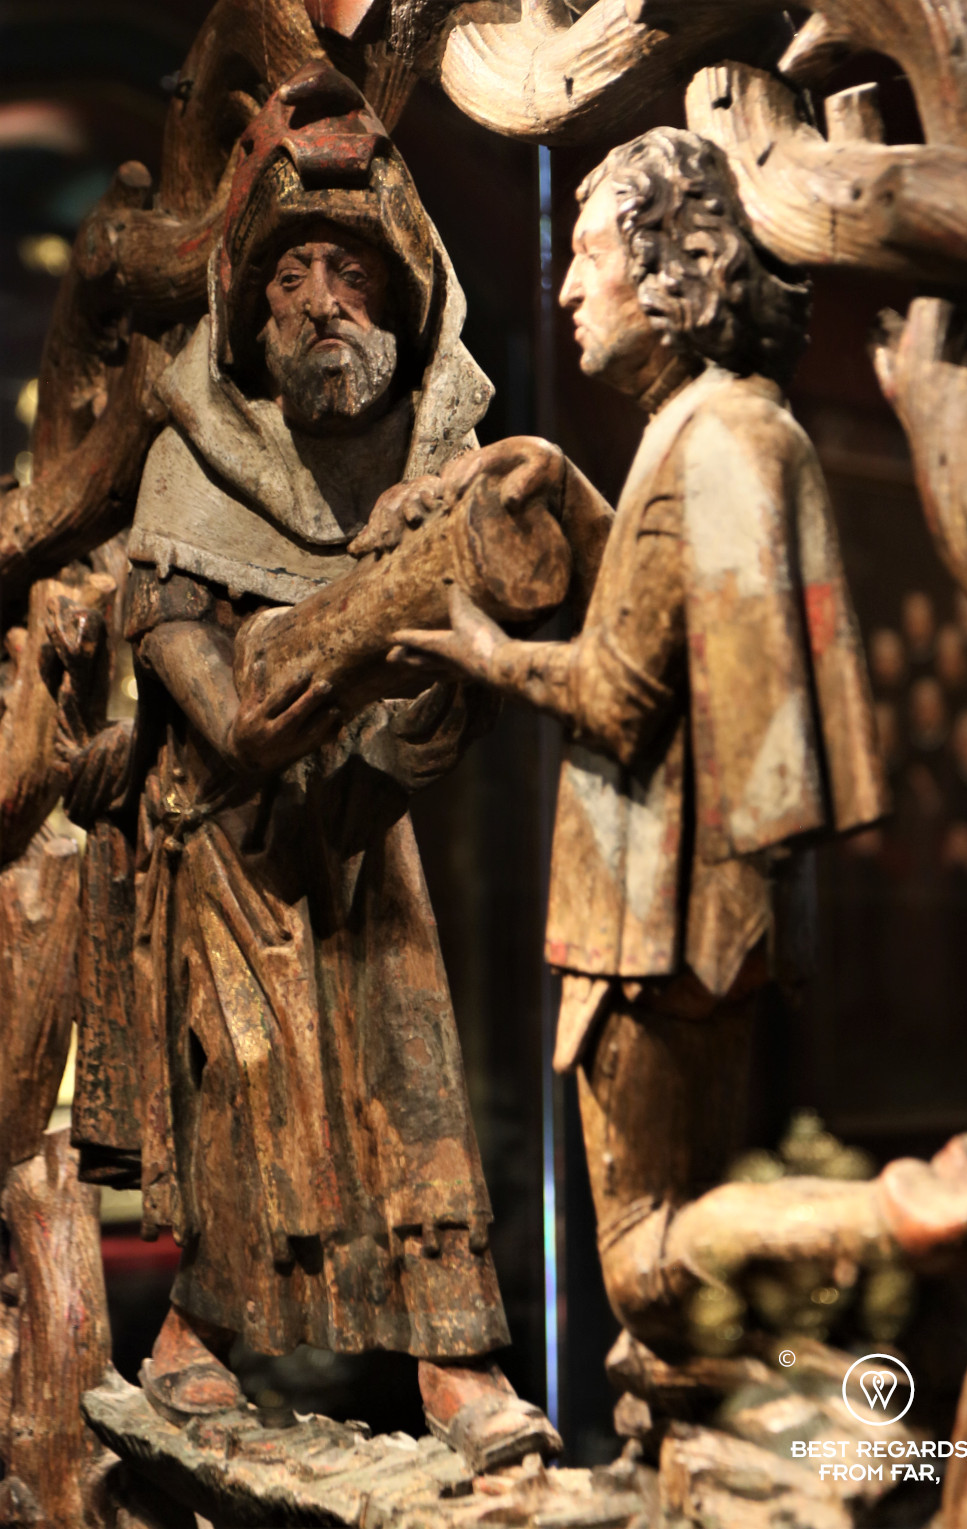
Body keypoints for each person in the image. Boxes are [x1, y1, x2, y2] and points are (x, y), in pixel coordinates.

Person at [70, 61, 559, 1468]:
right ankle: (197, 1335)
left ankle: (455, 1365)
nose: (324, 300)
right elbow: (225, 716)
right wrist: (352, 638)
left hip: (354, 834)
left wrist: (419, 669)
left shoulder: (419, 480)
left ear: (401, 299)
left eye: (352, 270)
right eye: (294, 273)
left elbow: (432, 718)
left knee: (411, 1077)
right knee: (258, 1102)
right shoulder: (194, 467)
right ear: (250, 304)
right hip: (223, 845)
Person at [386, 127, 892, 1354]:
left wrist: (484, 653)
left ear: (672, 270)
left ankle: (901, 1222)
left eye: (588, 253)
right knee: (665, 1285)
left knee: (645, 1262)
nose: (563, 286)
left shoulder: (711, 441)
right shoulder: (727, 427)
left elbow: (621, 690)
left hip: (658, 909)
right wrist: (559, 479)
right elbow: (667, 617)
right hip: (690, 905)